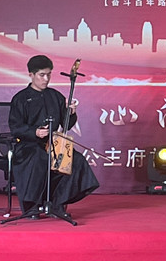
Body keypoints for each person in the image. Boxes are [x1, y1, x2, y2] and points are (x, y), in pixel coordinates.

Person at [8, 55, 99, 219]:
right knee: (38, 158)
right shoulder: (20, 99)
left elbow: (66, 125)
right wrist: (35, 132)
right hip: (28, 145)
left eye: (49, 74)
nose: (46, 79)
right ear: (31, 75)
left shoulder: (55, 96)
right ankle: (32, 207)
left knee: (76, 161)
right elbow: (15, 128)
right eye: (41, 75)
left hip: (53, 143)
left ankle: (58, 204)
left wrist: (71, 113)